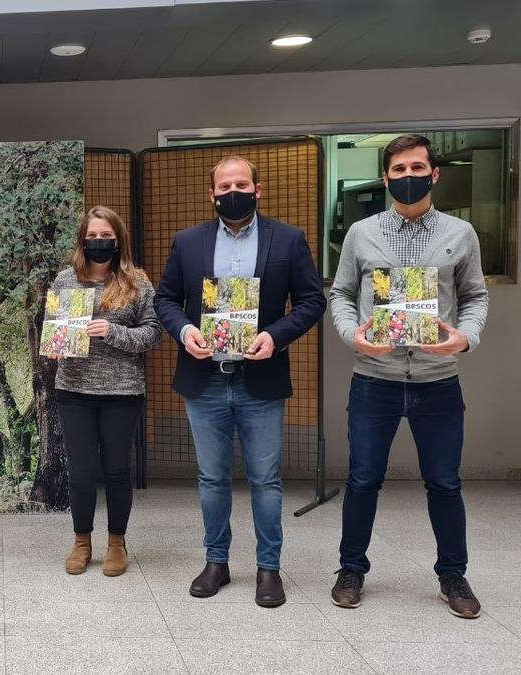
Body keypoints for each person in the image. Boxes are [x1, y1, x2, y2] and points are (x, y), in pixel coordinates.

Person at [328, 134, 489, 618]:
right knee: (362, 480)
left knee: (444, 483)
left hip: (438, 380)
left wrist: (465, 337)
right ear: (385, 177)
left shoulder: (461, 234)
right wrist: (351, 334)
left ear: (434, 174)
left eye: (417, 167)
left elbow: (476, 297)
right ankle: (351, 568)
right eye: (398, 170)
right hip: (373, 379)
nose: (408, 177)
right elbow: (340, 294)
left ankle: (453, 575)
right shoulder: (361, 233)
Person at [154, 155, 325, 607]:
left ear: (257, 189)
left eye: (242, 184)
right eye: (225, 186)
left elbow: (311, 301)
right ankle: (217, 562)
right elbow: (166, 299)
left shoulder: (287, 239)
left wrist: (276, 335)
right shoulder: (187, 242)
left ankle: (269, 568)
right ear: (211, 194)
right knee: (211, 479)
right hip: (205, 378)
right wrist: (185, 331)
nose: (234, 192)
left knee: (266, 480)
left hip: (260, 379)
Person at [49, 206, 161, 577]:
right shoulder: (65, 280)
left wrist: (111, 332)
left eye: (106, 236)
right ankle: (82, 542)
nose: (99, 242)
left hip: (122, 391)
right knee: (80, 473)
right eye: (92, 236)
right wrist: (54, 343)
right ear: (82, 239)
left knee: (115, 470)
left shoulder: (137, 283)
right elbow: (52, 327)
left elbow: (152, 334)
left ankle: (117, 542)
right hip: (74, 389)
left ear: (118, 240)